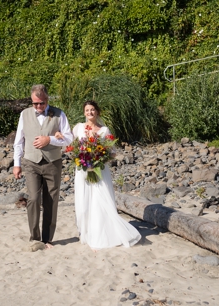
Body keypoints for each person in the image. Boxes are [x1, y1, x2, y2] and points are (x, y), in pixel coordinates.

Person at [64, 101, 140, 250]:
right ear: (84, 112)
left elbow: (112, 153)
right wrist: (79, 156)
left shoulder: (104, 130)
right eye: (87, 110)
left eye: (92, 110)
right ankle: (86, 233)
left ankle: (101, 234)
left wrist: (99, 158)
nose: (90, 112)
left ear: (97, 112)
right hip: (83, 171)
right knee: (84, 202)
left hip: (100, 171)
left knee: (100, 200)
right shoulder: (78, 128)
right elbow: (70, 145)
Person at [12, 84, 73, 250]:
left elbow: (69, 138)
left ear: (47, 100)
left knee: (51, 201)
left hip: (53, 162)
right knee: (33, 198)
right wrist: (17, 164)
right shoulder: (25, 115)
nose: (38, 107)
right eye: (35, 103)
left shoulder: (59, 114)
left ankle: (48, 239)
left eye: (41, 103)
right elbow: (19, 141)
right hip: (31, 162)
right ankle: (35, 237)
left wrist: (50, 139)